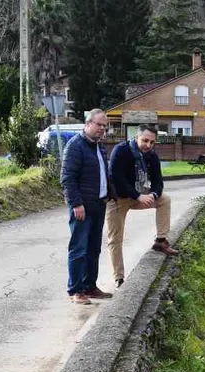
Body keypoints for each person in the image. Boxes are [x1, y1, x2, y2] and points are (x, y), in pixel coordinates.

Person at [106, 124, 178, 289]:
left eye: (152, 142)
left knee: (164, 200)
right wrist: (138, 196)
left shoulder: (151, 156)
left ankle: (160, 241)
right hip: (118, 198)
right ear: (136, 137)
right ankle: (119, 278)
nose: (148, 145)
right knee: (115, 238)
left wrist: (152, 195)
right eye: (145, 140)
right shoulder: (121, 151)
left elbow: (158, 181)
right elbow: (116, 179)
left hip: (140, 194)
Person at [60, 109, 115, 304]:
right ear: (88, 123)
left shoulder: (99, 147)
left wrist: (109, 193)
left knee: (93, 249)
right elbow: (67, 178)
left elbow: (103, 174)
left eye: (104, 126)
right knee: (79, 249)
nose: (102, 129)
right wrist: (76, 203)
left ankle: (90, 286)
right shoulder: (75, 146)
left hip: (98, 205)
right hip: (82, 207)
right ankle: (76, 290)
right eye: (99, 125)